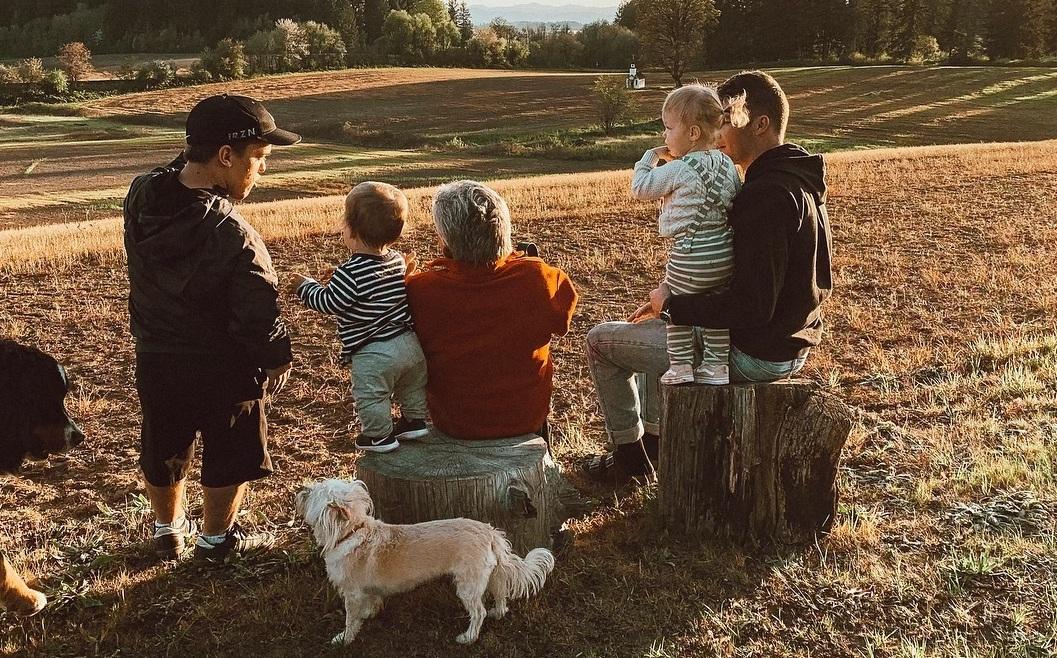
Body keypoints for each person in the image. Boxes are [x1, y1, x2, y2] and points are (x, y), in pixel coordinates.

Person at [584, 70, 833, 481]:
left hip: (757, 354)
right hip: (788, 341)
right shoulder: (793, 178)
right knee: (654, 333)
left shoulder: (765, 196)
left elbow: (751, 305)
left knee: (601, 343)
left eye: (726, 121)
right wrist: (672, 295)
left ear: (760, 123)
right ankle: (656, 446)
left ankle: (630, 460)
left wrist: (674, 305)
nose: (717, 133)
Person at [123, 94, 300, 562]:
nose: (261, 172)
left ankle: (167, 530)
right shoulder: (233, 234)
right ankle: (215, 540)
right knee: (231, 451)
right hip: (224, 368)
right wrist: (278, 356)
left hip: (156, 354)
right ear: (226, 156)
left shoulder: (141, 193)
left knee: (164, 443)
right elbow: (257, 313)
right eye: (258, 159)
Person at [406, 180, 578, 442]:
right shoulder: (538, 277)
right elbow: (562, 323)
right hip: (526, 420)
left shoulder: (419, 290)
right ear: (504, 230)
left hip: (455, 425)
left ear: (444, 240)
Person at [291, 182, 428, 453]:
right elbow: (372, 285)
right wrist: (339, 278)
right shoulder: (396, 260)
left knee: (371, 395)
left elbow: (329, 302)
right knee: (411, 385)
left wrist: (304, 287)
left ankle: (378, 436)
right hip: (409, 344)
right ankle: (414, 420)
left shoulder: (350, 272)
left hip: (374, 352)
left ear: (351, 230)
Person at [630, 84, 741, 386]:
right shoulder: (727, 164)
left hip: (690, 254)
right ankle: (717, 367)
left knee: (674, 303)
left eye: (667, 129)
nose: (664, 137)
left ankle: (680, 366)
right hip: (723, 257)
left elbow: (641, 188)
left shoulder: (680, 168)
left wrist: (649, 158)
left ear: (692, 133)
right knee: (714, 307)